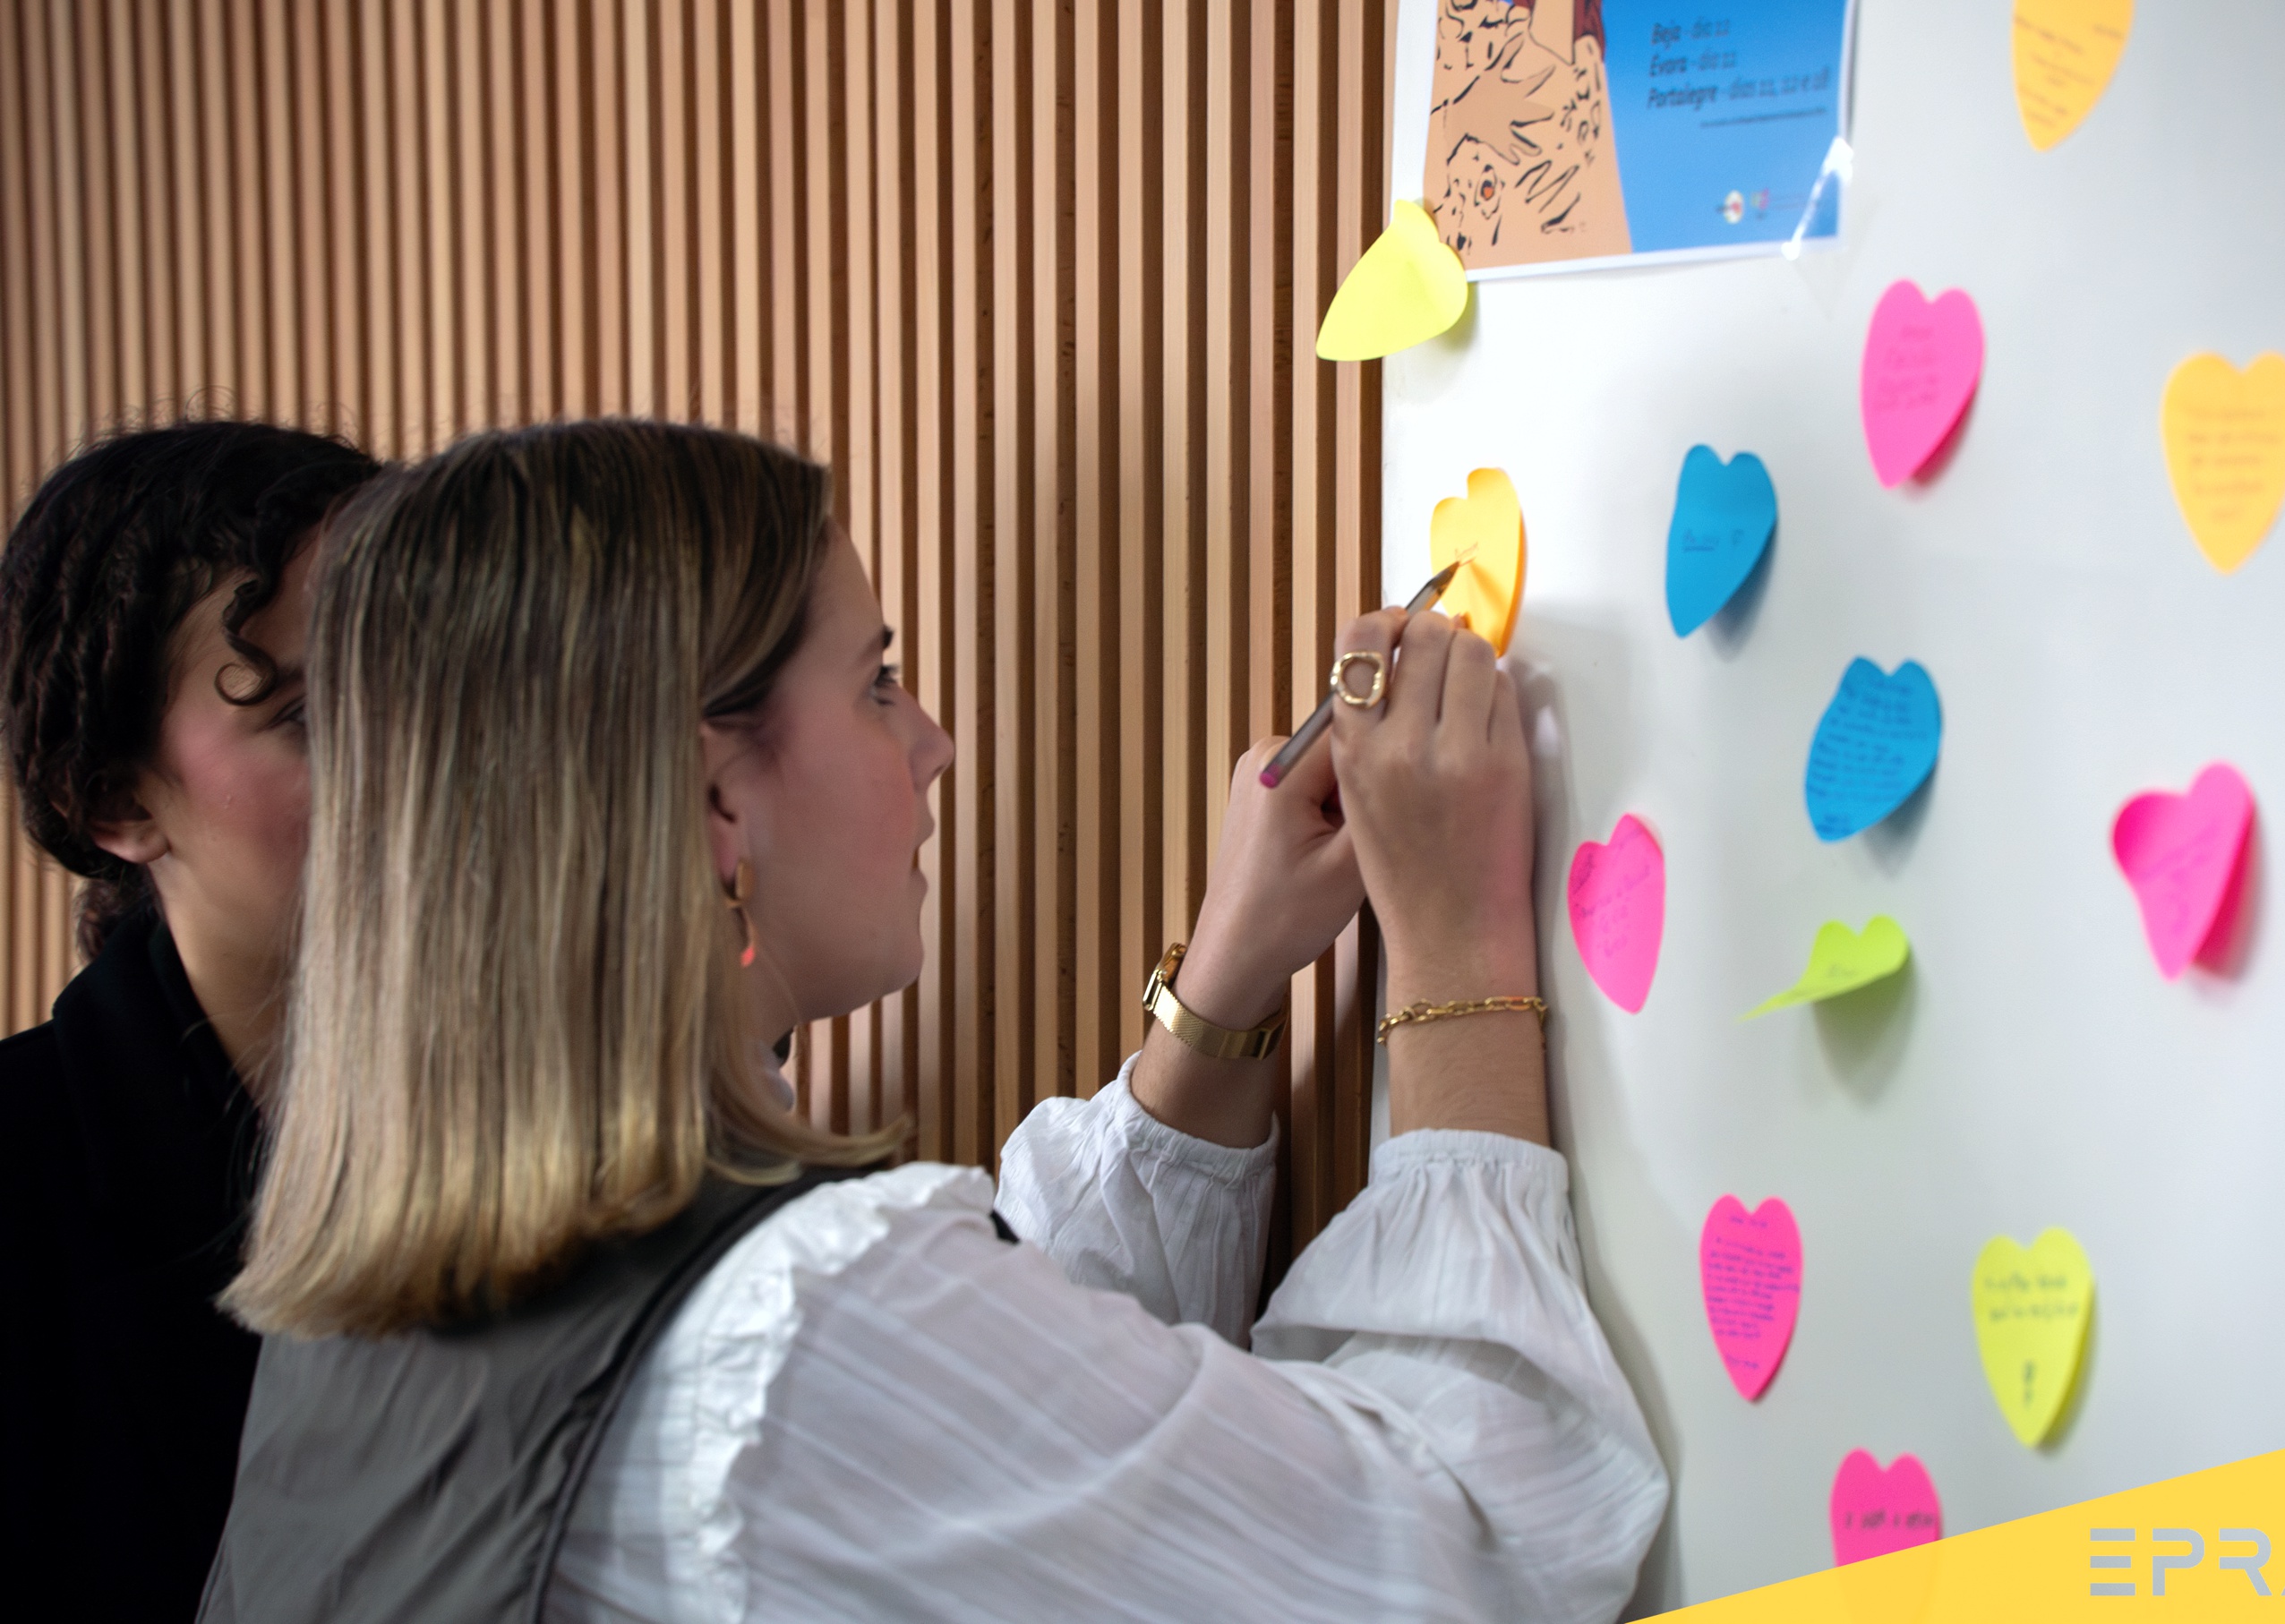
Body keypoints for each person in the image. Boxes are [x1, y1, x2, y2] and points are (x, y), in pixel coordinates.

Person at [204, 421, 1667, 1623]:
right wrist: (1458, 945)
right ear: (717, 798)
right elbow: (1473, 1554)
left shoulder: (378, 1296)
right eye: (877, 681)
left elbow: (1017, 1382)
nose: (934, 741)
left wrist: (1218, 990)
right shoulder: (790, 1348)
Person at [0, 421, 383, 1622]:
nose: (414, 763)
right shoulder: (20, 1176)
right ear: (114, 800)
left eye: (423, 693)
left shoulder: (539, 1117)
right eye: (314, 718)